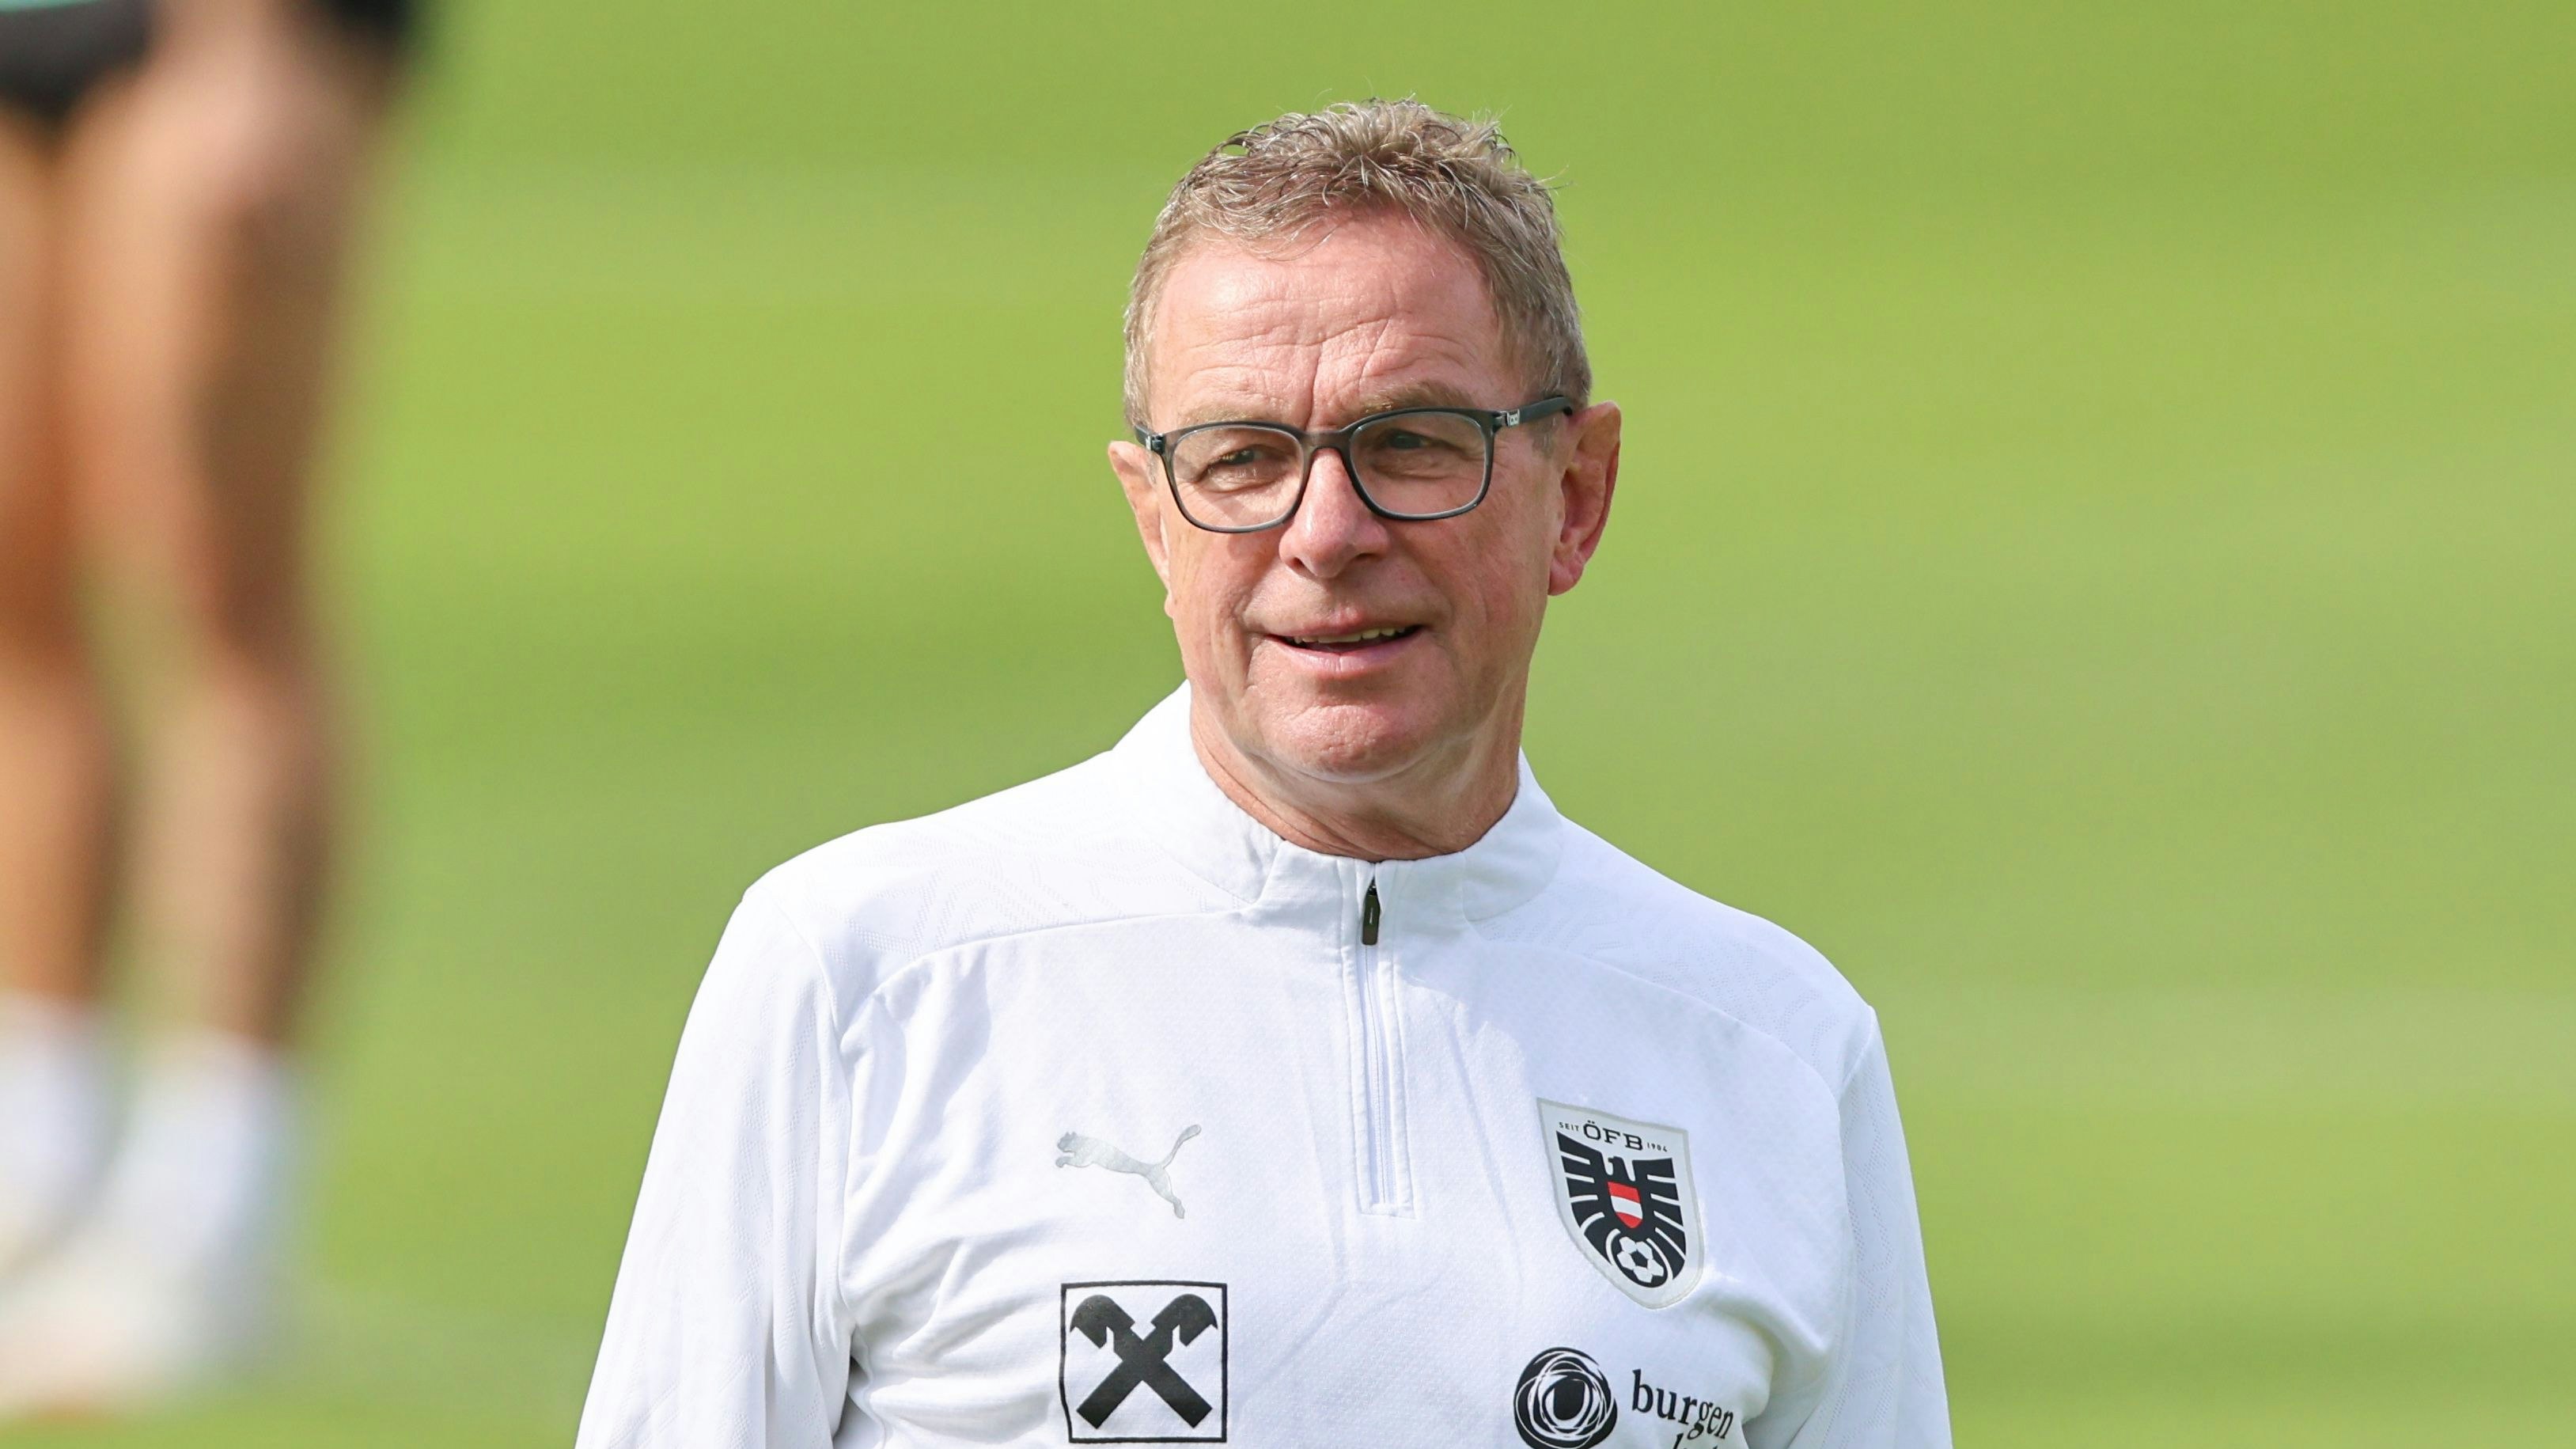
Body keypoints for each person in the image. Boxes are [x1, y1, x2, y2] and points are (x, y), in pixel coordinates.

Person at [578, 100, 1949, 1447]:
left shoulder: (1774, 1048)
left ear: (1575, 494)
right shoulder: (870, 974)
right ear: (1153, 518)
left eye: (1413, 443)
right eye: (1243, 459)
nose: (1328, 532)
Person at [0, 0, 412, 1417]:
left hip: (193, 33)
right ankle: (35, 1161)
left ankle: (211, 1205)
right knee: (13, 577)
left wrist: (255, 41)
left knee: (215, 579)